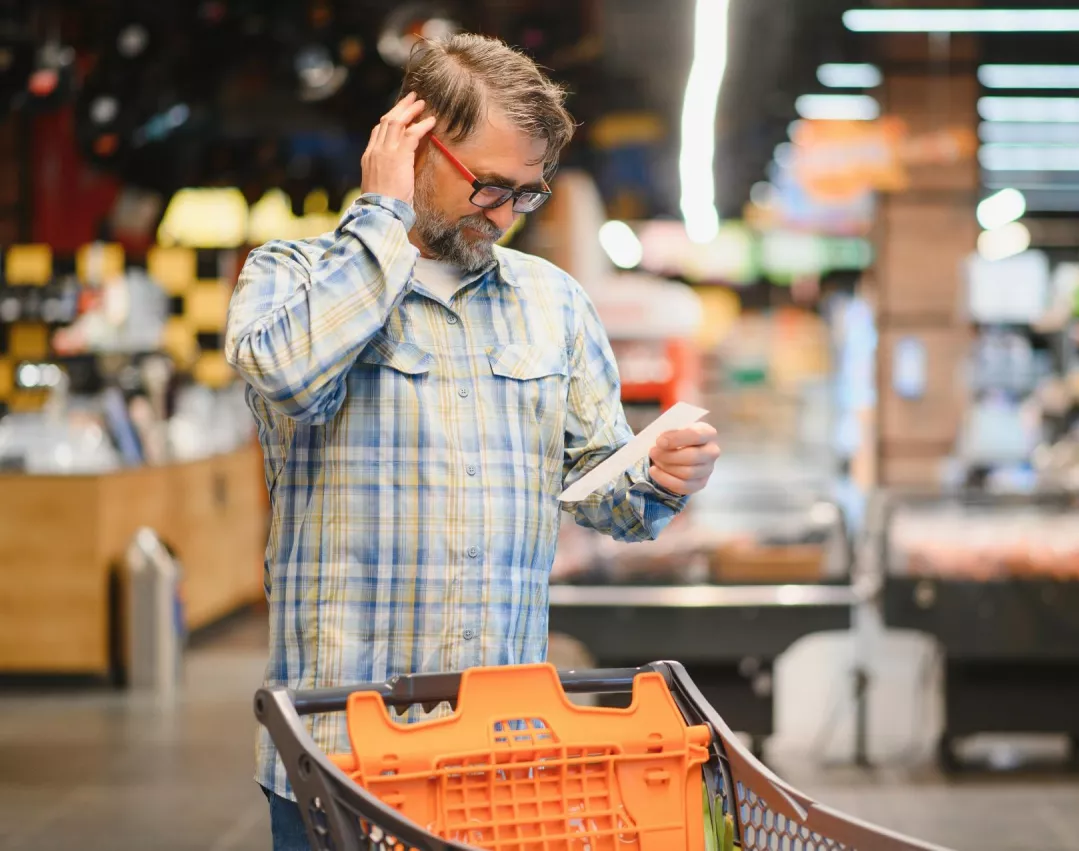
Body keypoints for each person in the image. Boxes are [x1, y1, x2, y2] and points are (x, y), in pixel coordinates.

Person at [224, 32, 720, 851]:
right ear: (411, 145)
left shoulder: (552, 304)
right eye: (488, 185)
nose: (503, 216)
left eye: (526, 194)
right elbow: (287, 378)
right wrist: (382, 221)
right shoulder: (292, 277)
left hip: (499, 767)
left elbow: (605, 500)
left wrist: (659, 476)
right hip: (342, 761)